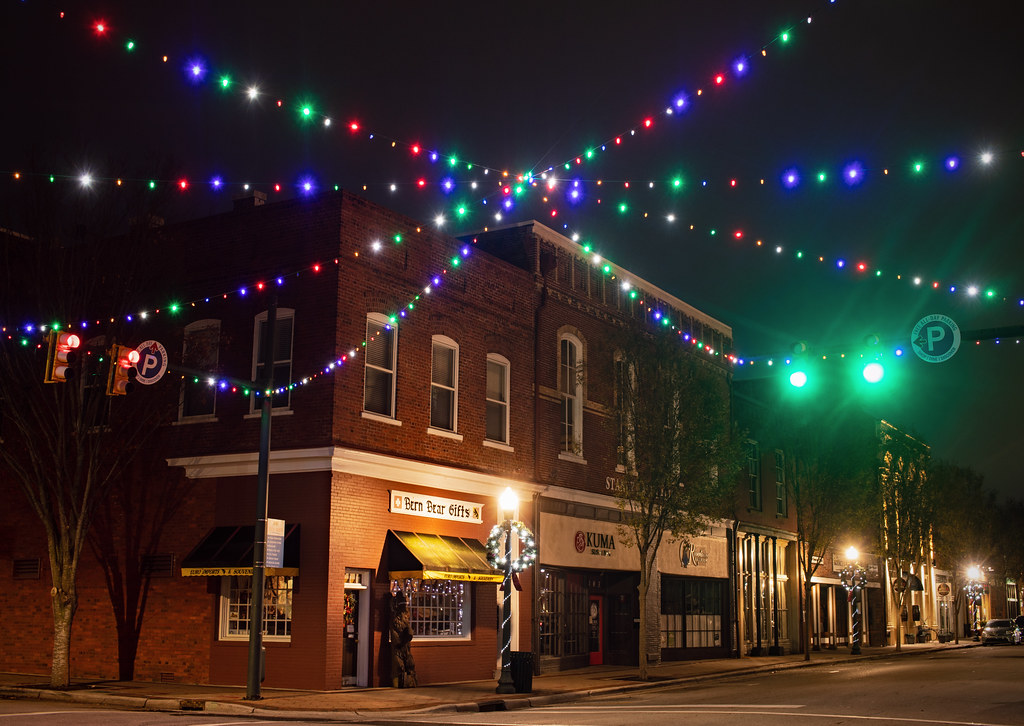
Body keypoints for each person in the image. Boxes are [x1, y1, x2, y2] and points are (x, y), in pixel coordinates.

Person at [390, 592, 417, 687]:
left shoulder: (398, 617)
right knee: (406, 663)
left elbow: (408, 633)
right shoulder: (403, 616)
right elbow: (409, 632)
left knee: (402, 664)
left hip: (400, 645)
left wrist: (401, 642)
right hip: (403, 645)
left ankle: (403, 683)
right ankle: (408, 682)